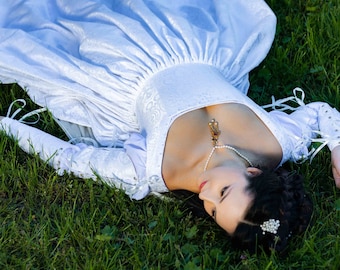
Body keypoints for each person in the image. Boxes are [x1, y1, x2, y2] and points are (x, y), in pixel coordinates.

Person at [0, 0, 339, 254]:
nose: (204, 194)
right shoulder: (277, 142)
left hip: (117, 65)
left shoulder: (150, 171)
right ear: (253, 174)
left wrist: (6, 125)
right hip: (181, 36)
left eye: (212, 210)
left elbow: (70, 158)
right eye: (222, 193)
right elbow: (320, 112)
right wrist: (337, 150)